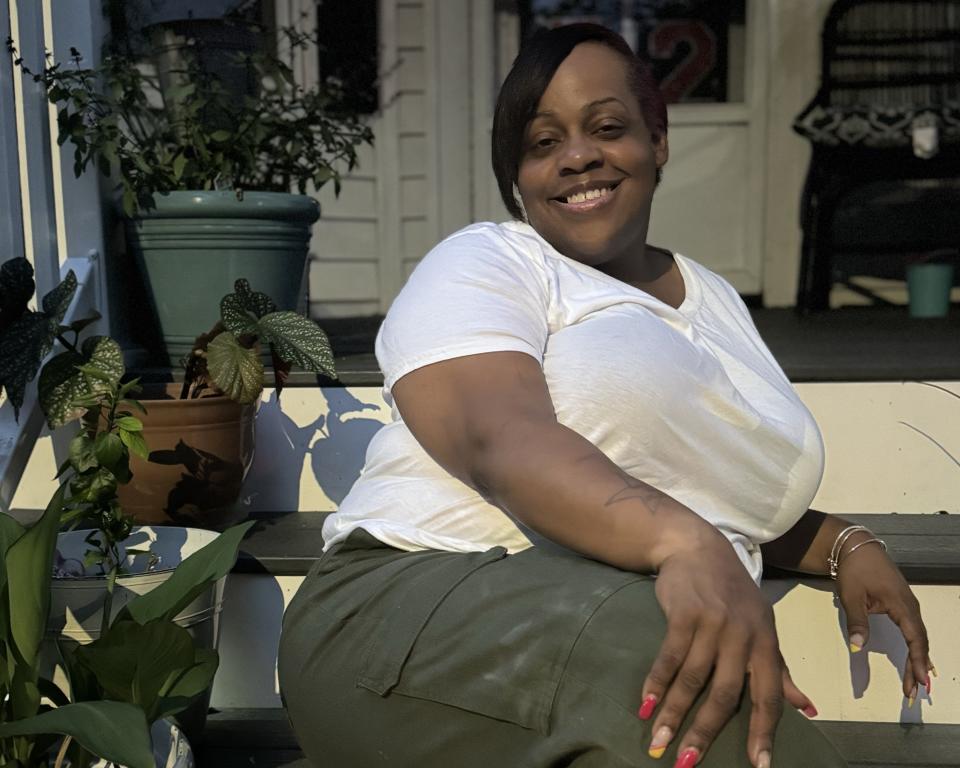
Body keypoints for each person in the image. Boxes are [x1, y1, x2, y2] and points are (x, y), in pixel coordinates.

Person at [279, 23, 931, 768]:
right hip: (410, 601)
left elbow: (703, 486)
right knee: (716, 705)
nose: (577, 156)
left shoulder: (714, 299)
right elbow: (495, 436)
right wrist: (685, 541)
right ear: (518, 176)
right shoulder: (492, 260)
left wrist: (844, 543)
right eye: (541, 142)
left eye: (607, 127)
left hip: (582, 623)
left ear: (658, 139)